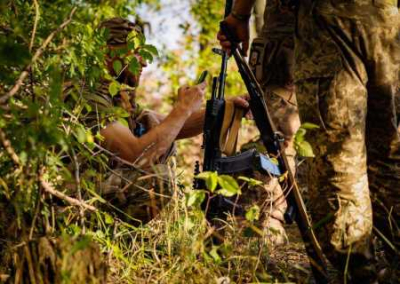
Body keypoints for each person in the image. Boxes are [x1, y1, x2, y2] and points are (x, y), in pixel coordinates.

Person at [218, 0, 400, 283]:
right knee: (387, 152)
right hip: (385, 17)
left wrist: (239, 14)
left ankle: (357, 274)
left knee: (337, 158)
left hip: (326, 19)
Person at [65, 17, 249, 225]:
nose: (144, 62)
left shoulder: (116, 96)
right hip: (73, 199)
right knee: (156, 180)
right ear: (108, 51)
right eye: (136, 52)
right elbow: (137, 155)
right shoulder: (87, 94)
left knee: (153, 126)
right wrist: (183, 108)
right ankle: (104, 235)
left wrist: (225, 106)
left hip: (92, 190)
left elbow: (171, 127)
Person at [220, 0, 300, 246]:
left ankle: (265, 227)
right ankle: (268, 225)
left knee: (276, 139)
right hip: (361, 23)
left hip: (288, 29)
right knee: (282, 138)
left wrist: (238, 15)